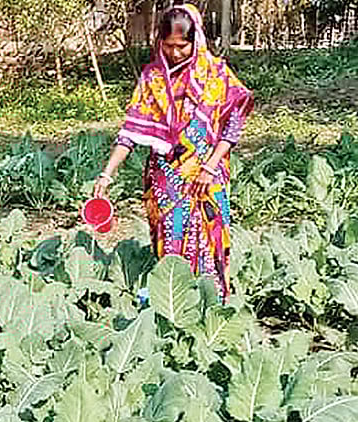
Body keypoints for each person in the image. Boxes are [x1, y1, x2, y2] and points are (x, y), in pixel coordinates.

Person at [93, 4, 253, 300]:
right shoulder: (152, 78)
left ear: (197, 40)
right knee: (170, 239)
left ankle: (211, 302)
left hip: (208, 176)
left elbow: (233, 127)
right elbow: (129, 134)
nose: (176, 53)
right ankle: (171, 303)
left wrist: (209, 166)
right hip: (166, 180)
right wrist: (106, 175)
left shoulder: (216, 74)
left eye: (183, 45)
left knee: (209, 239)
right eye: (168, 46)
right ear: (159, 43)